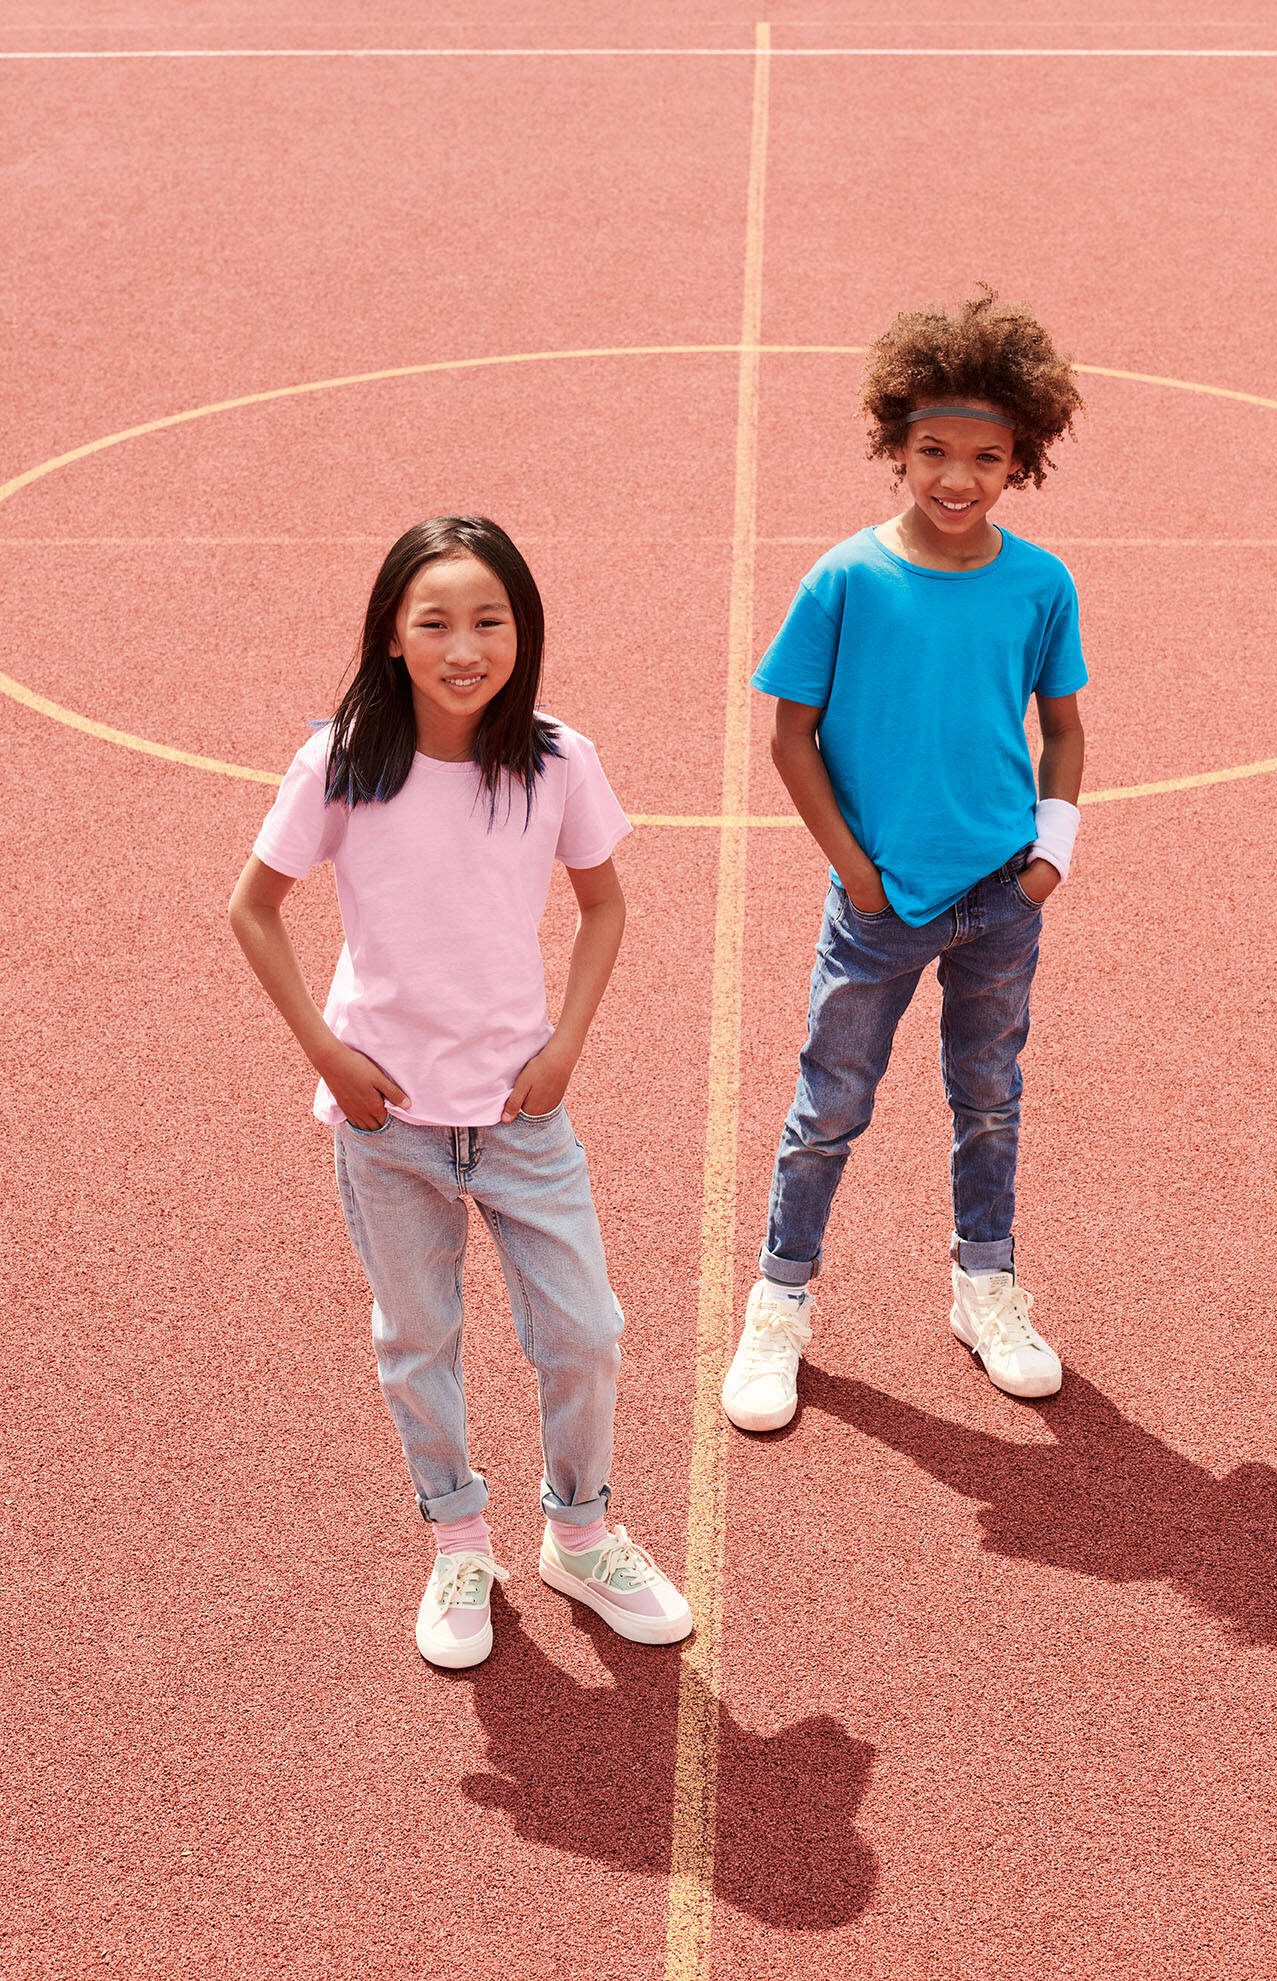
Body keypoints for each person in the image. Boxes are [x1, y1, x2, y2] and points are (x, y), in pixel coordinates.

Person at [229, 514, 692, 1668]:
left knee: (584, 1332)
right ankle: (457, 1541)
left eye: (489, 619)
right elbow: (252, 908)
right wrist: (326, 1056)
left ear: (519, 632)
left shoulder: (553, 757)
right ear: (392, 634)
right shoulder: (341, 759)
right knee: (417, 1337)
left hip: (522, 1113)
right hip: (387, 1122)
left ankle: (577, 1532)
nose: (463, 644)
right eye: (434, 620)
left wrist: (566, 1045)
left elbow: (605, 905)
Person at [722, 290, 1088, 1434]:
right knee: (828, 1106)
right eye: (933, 449)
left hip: (1000, 894)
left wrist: (1050, 860)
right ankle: (779, 1300)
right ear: (896, 443)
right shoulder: (845, 581)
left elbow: (1064, 727)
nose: (957, 475)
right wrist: (855, 869)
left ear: (1019, 457)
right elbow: (788, 731)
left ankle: (986, 1285)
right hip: (880, 904)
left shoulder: (1040, 584)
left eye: (986, 455)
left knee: (989, 1099)